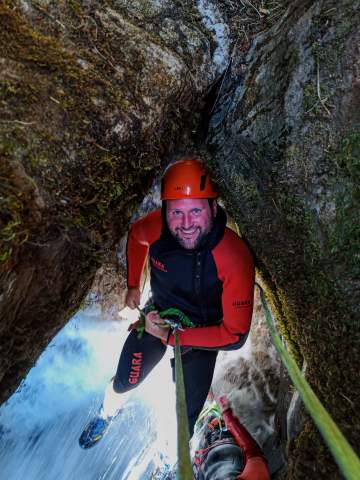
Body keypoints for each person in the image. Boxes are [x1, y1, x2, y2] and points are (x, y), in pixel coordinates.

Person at [79, 158, 255, 449]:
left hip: (202, 336)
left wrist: (175, 337)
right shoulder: (159, 228)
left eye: (196, 210)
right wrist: (133, 283)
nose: (186, 224)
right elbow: (136, 237)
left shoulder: (233, 257)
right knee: (125, 380)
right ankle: (107, 411)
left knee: (183, 417)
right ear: (165, 211)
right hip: (157, 315)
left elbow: (234, 335)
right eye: (176, 212)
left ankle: (168, 456)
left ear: (213, 207)